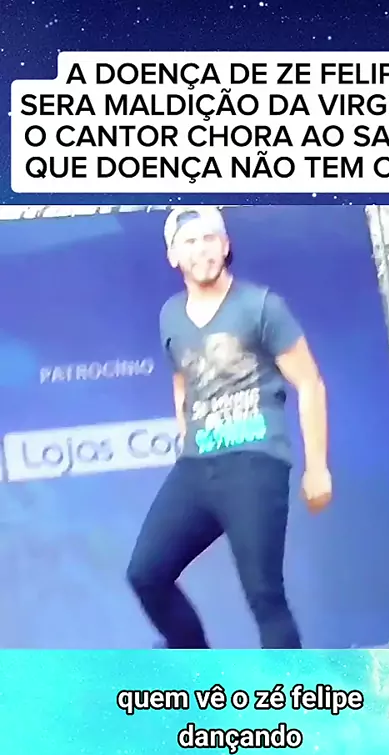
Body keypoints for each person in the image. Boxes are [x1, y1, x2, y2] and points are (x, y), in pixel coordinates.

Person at [127, 206, 332, 649]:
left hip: (255, 462)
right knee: (146, 573)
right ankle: (199, 671)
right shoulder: (170, 315)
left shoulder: (261, 306)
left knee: (264, 595)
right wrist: (187, 437)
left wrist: (317, 468)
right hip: (198, 466)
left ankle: (294, 692)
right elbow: (182, 380)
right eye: (189, 242)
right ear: (173, 256)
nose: (200, 250)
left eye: (209, 239)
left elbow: (310, 383)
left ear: (225, 246)